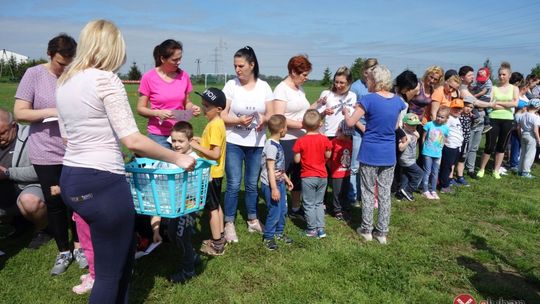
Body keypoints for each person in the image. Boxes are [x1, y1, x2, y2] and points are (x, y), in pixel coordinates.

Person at [56, 20, 196, 303]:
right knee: (111, 274)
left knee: (119, 265)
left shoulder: (65, 81)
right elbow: (132, 139)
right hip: (103, 183)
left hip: (71, 176)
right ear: (113, 47)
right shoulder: (106, 79)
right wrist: (177, 157)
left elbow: (67, 137)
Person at [13, 33, 85, 275]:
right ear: (49, 54)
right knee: (54, 201)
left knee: (77, 199)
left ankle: (80, 247)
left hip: (73, 147)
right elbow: (20, 113)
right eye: (60, 63)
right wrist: (52, 110)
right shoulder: (33, 74)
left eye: (69, 63)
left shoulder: (74, 76)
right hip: (45, 149)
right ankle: (63, 250)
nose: (64, 68)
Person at [343, 65, 406, 245]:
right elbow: (395, 126)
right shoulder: (398, 101)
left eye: (369, 79)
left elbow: (351, 122)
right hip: (388, 153)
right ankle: (382, 232)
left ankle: (366, 229)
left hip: (370, 151)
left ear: (375, 81)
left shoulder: (368, 99)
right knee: (385, 193)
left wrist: (347, 112)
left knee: (369, 192)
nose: (367, 82)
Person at [221, 46, 273, 243]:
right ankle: (229, 223)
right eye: (235, 66)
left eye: (241, 65)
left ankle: (252, 219)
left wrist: (264, 119)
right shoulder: (231, 86)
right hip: (233, 141)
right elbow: (222, 115)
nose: (237, 70)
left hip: (257, 143)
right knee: (234, 183)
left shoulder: (264, 87)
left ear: (252, 65)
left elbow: (271, 114)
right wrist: (237, 121)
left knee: (252, 184)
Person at [150, 121, 199, 284]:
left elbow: (198, 183)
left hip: (188, 205)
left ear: (190, 141)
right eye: (173, 141)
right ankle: (192, 256)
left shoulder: (194, 159)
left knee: (181, 236)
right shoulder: (172, 157)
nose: (176, 145)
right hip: (173, 205)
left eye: (180, 141)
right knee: (172, 234)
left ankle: (188, 270)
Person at [137, 39, 200, 148]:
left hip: (181, 135)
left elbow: (187, 102)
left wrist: (192, 107)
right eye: (175, 60)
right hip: (158, 136)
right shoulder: (148, 77)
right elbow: (140, 108)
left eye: (180, 59)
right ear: (162, 59)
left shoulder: (184, 76)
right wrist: (157, 113)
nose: (179, 62)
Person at [0, 108, 48, 248]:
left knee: (30, 202)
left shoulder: (33, 136)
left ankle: (43, 229)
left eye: (2, 133)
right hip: (6, 192)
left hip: (30, 186)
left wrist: (8, 173)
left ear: (13, 125)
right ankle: (18, 222)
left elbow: (42, 170)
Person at [272, 55, 312, 220]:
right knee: (282, 174)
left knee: (298, 175)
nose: (306, 78)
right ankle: (278, 208)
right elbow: (279, 117)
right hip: (287, 139)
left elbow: (303, 110)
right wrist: (302, 124)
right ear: (293, 72)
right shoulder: (281, 89)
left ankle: (295, 208)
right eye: (303, 74)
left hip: (301, 139)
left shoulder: (299, 89)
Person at [190, 88, 227, 256]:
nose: (204, 108)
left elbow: (215, 153)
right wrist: (200, 140)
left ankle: (217, 244)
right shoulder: (216, 123)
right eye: (203, 104)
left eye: (207, 106)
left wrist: (195, 146)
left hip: (211, 173)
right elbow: (211, 146)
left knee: (211, 208)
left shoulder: (215, 126)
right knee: (216, 205)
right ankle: (221, 236)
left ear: (219, 109)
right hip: (216, 172)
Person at [293, 109, 332, 238]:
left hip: (308, 176)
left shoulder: (301, 141)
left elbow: (297, 160)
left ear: (303, 124)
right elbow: (328, 155)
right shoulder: (324, 139)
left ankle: (311, 229)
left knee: (308, 204)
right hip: (322, 175)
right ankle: (321, 229)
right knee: (319, 203)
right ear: (320, 124)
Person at [477, 62, 519, 179]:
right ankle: (482, 169)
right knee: (489, 145)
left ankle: (496, 170)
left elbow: (515, 103)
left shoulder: (514, 88)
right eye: (500, 74)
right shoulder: (494, 88)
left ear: (509, 75)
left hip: (508, 120)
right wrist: (505, 105)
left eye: (504, 75)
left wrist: (499, 103)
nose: (501, 77)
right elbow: (491, 104)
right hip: (494, 118)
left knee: (502, 146)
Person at [260, 114, 294, 250]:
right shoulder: (272, 146)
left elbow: (279, 167)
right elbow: (270, 169)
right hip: (270, 184)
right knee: (274, 211)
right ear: (282, 130)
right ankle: (268, 237)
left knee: (282, 210)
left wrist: (286, 179)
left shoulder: (277, 144)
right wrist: (274, 188)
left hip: (279, 182)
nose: (287, 129)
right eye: (286, 127)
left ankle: (279, 233)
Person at [348, 58, 378, 208]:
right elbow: (353, 111)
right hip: (359, 130)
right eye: (367, 72)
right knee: (355, 166)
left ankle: (365, 195)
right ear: (363, 71)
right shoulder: (356, 87)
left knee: (369, 166)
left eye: (372, 73)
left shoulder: (376, 86)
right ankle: (353, 196)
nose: (369, 75)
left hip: (372, 131)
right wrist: (362, 128)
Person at [457, 66, 494, 179]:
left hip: (480, 119)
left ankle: (471, 169)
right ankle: (460, 170)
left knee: (475, 147)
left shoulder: (473, 87)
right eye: (469, 75)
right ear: (462, 77)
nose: (472, 77)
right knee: (466, 146)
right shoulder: (462, 89)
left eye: (473, 75)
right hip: (470, 121)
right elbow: (475, 102)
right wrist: (490, 104)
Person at [315, 67, 357, 138]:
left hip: (345, 136)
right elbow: (316, 118)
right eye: (336, 82)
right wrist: (325, 112)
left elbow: (353, 117)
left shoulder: (352, 95)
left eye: (342, 83)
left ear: (349, 82)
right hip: (328, 134)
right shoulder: (326, 94)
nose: (338, 85)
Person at [421, 107, 450, 200]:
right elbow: (423, 137)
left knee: (435, 172)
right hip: (428, 152)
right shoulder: (429, 124)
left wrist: (441, 146)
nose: (439, 118)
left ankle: (433, 190)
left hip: (438, 154)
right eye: (438, 116)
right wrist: (423, 149)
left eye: (442, 117)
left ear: (446, 119)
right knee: (427, 171)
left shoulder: (446, 128)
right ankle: (425, 190)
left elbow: (445, 139)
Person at [328, 121, 354, 220]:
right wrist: (332, 168)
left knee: (345, 191)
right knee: (337, 192)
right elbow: (328, 159)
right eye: (346, 135)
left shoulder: (350, 142)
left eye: (349, 136)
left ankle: (345, 208)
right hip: (337, 173)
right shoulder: (333, 143)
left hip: (346, 172)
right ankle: (337, 210)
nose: (348, 137)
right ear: (339, 131)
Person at [438, 99, 464, 194]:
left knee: (451, 165)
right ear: (450, 108)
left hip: (456, 146)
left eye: (459, 108)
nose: (457, 110)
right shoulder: (448, 119)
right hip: (449, 146)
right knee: (447, 166)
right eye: (455, 108)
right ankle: (444, 186)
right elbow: (443, 131)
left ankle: (445, 182)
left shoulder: (457, 118)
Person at [396, 113, 423, 201]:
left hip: (411, 159)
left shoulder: (413, 132)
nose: (414, 127)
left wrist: (415, 134)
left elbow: (416, 137)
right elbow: (400, 148)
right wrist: (407, 141)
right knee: (419, 173)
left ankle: (401, 194)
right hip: (406, 160)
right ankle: (408, 190)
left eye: (415, 125)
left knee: (406, 177)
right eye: (411, 125)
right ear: (405, 124)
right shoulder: (403, 134)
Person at [515, 99, 540, 178]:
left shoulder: (522, 115)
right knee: (530, 155)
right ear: (537, 107)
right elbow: (535, 131)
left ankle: (520, 170)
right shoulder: (536, 117)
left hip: (523, 134)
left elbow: (518, 127)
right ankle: (526, 172)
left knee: (523, 153)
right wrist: (538, 140)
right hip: (531, 135)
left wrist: (519, 135)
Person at [453, 98, 474, 186]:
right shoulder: (458, 115)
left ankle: (460, 176)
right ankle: (450, 178)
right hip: (456, 141)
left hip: (465, 141)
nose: (468, 109)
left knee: (462, 159)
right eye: (466, 106)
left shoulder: (470, 116)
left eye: (471, 107)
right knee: (453, 160)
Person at [470, 67, 493, 134]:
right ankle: (487, 124)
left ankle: (476, 118)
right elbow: (476, 87)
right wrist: (472, 87)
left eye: (483, 78)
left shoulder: (489, 82)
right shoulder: (479, 81)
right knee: (485, 110)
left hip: (485, 97)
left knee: (473, 104)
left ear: (488, 76)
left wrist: (474, 96)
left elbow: (483, 92)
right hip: (481, 96)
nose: (481, 81)